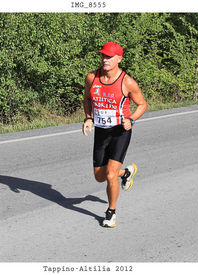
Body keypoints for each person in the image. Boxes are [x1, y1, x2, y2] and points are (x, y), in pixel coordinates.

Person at [82, 41, 147, 227]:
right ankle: (126, 173)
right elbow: (87, 99)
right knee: (99, 176)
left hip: (120, 132)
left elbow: (142, 104)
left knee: (110, 176)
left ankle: (111, 213)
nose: (105, 59)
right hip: (101, 132)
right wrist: (88, 118)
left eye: (109, 57)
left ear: (119, 58)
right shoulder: (91, 77)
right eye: (103, 55)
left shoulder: (127, 81)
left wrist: (132, 119)